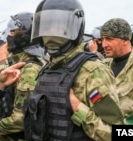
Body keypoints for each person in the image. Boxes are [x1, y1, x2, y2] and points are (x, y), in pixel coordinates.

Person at [23, 0, 124, 141]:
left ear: (75, 28)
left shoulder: (92, 71)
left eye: (58, 26)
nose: (50, 33)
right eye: (47, 26)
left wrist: (79, 109)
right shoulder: (46, 69)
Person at [0, 12, 46, 141]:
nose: (8, 36)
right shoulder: (17, 64)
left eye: (12, 32)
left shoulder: (30, 69)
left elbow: (19, 119)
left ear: (24, 36)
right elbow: (5, 101)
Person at [100, 18, 133, 125]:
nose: (104, 45)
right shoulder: (102, 66)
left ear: (125, 40)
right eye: (102, 39)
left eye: (109, 39)